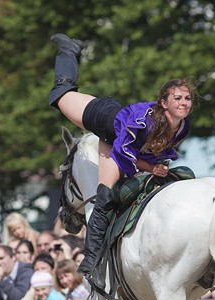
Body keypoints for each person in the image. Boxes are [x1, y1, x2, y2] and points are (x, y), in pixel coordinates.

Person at [49, 33, 194, 287]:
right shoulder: (146, 122)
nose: (184, 103)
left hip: (118, 137)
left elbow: (153, 151)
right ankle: (91, 262)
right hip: (104, 119)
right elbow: (127, 154)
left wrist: (157, 167)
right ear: (163, 102)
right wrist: (151, 167)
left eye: (187, 98)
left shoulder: (183, 127)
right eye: (177, 98)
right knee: (61, 94)